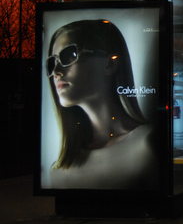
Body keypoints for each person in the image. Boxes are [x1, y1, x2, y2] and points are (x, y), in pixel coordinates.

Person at [46, 19, 158, 189]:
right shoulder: (59, 168)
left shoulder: (148, 145)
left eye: (70, 55)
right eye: (52, 62)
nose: (56, 71)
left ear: (110, 63)